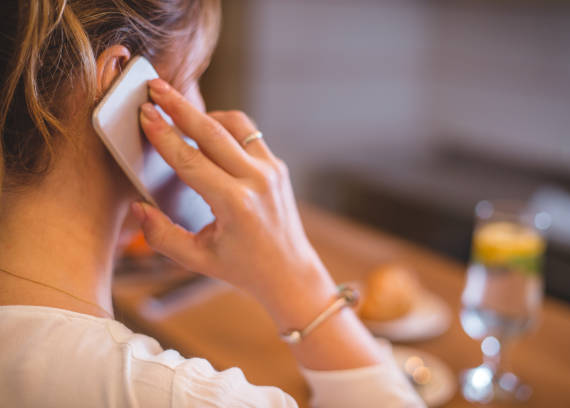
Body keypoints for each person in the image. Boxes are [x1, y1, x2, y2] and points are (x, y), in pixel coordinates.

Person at [0, 1, 424, 407]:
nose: (203, 108)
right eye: (197, 74)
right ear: (114, 85)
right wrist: (300, 280)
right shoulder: (171, 397)